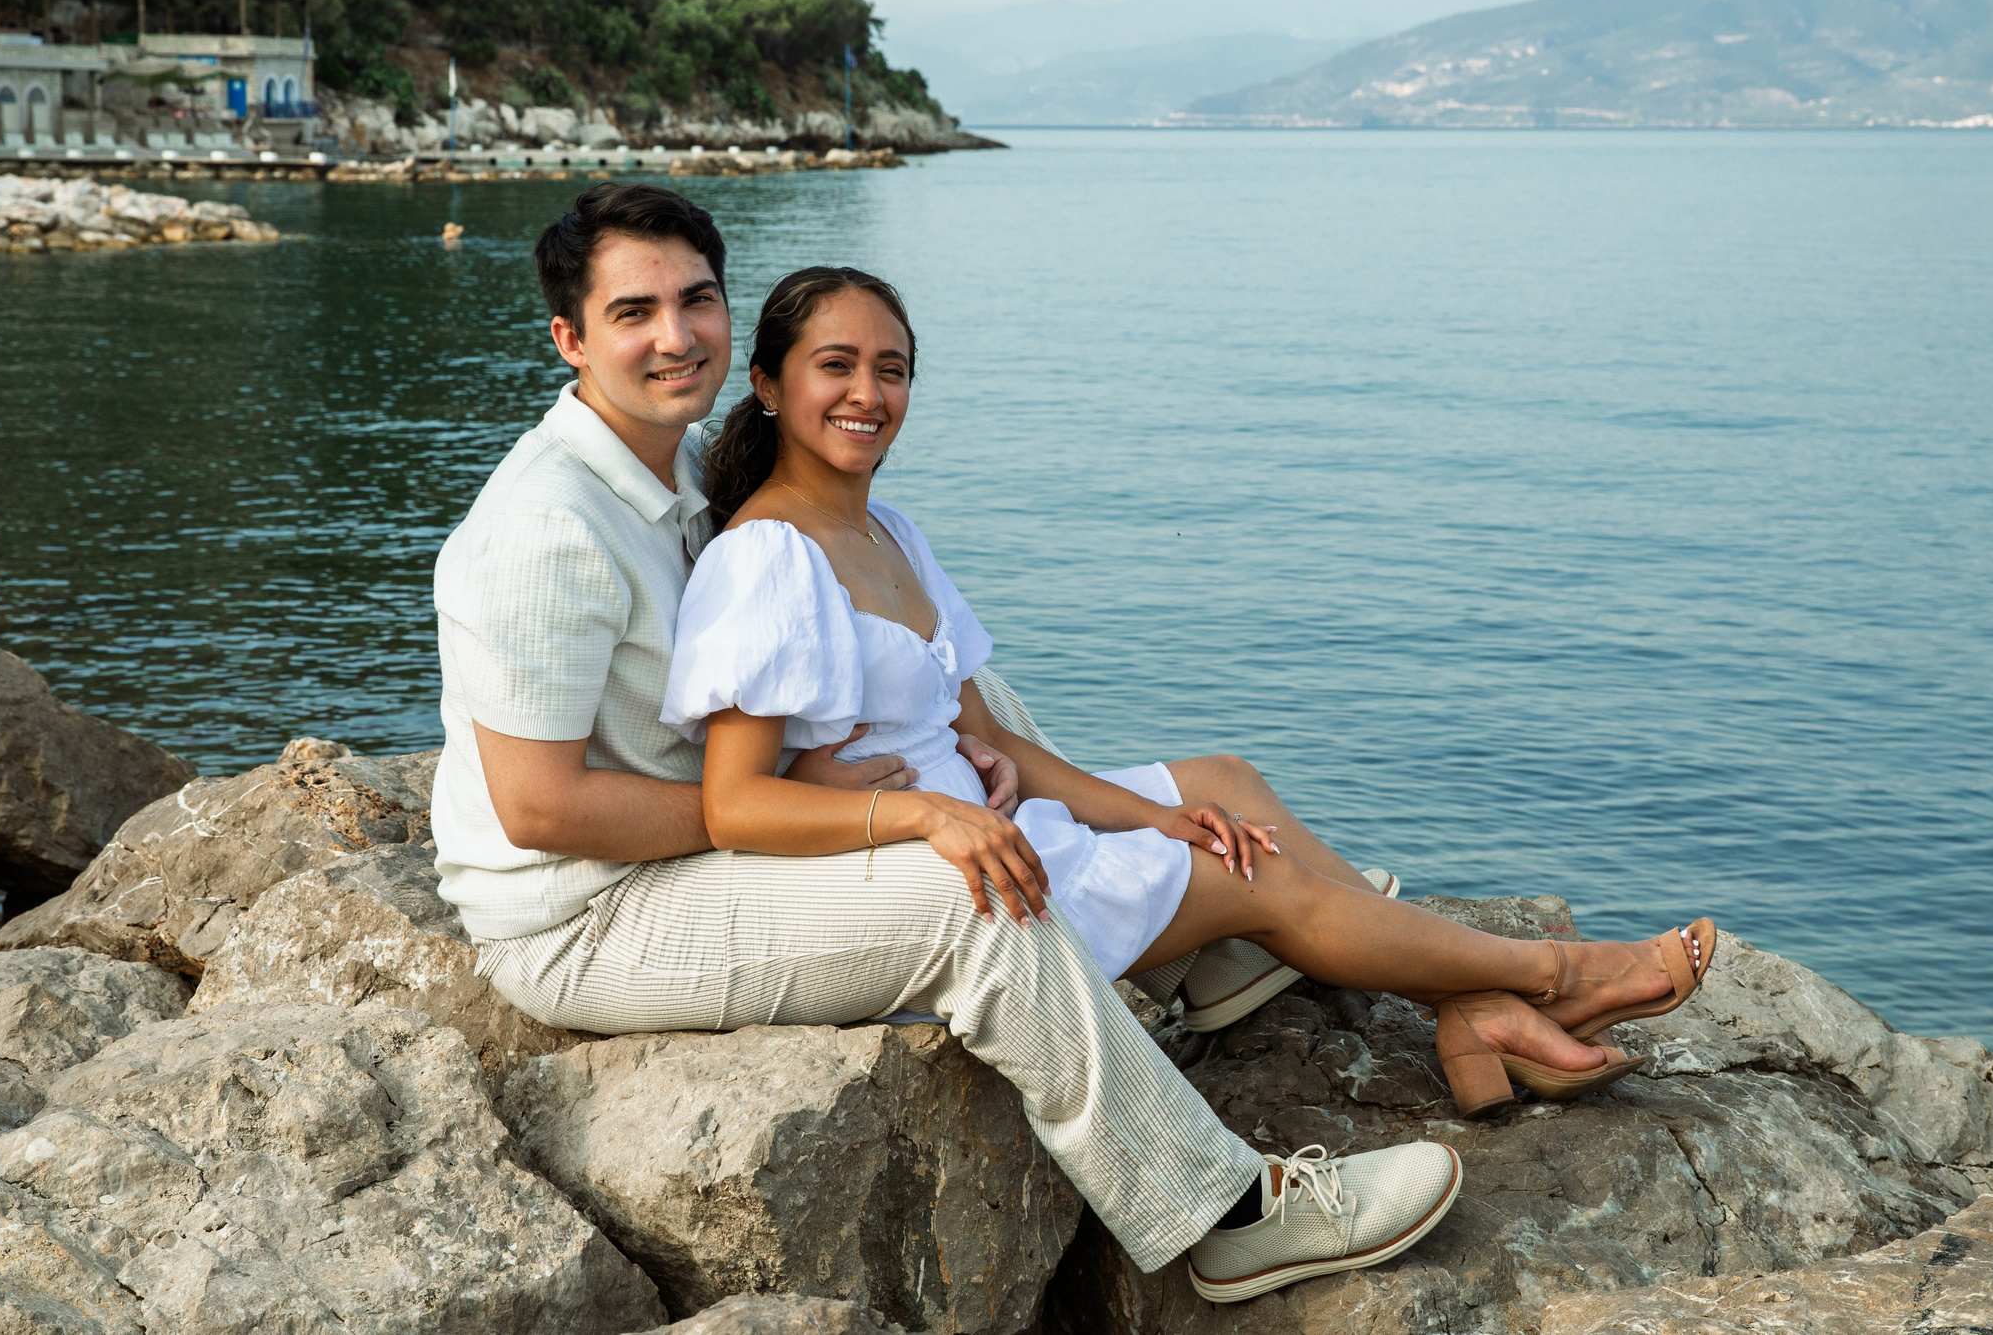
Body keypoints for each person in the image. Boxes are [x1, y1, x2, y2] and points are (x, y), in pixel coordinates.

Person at [429, 185, 1707, 1305]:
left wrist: (938, 769)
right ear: (568, 337)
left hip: (712, 845)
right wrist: (873, 808)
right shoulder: (548, 525)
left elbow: (878, 684)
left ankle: (1431, 989)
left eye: (695, 300)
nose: (673, 335)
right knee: (975, 899)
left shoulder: (688, 465)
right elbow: (541, 808)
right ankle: (1227, 1216)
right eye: (633, 312)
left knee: (1075, 758)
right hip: (592, 918)